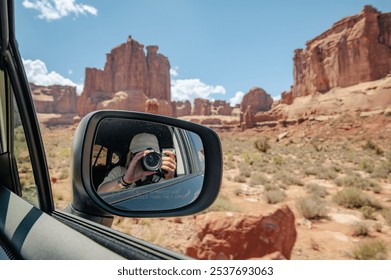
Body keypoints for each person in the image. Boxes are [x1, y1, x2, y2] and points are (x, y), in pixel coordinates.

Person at [97, 133, 176, 193]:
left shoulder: (158, 179)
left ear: (159, 157)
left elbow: (171, 197)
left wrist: (169, 179)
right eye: (141, 155)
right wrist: (125, 180)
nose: (147, 160)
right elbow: (100, 193)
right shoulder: (119, 172)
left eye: (151, 156)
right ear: (131, 156)